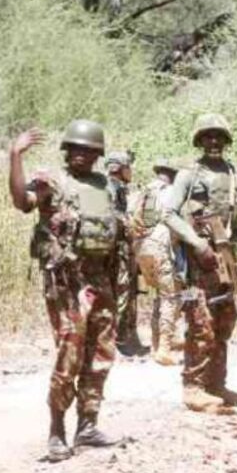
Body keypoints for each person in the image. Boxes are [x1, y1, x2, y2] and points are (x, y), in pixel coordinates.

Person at [8, 119, 121, 463]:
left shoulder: (107, 186)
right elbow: (21, 201)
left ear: (97, 154)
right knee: (69, 354)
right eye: (75, 149)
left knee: (101, 354)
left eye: (88, 150)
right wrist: (15, 156)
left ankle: (87, 425)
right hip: (67, 283)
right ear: (66, 151)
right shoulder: (52, 182)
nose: (81, 156)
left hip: (101, 279)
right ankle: (56, 430)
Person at [160, 113, 237, 413]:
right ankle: (193, 387)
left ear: (227, 141)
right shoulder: (188, 175)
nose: (214, 142)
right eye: (207, 137)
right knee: (200, 323)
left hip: (226, 259)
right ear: (199, 141)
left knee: (224, 321)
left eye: (219, 136)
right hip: (197, 263)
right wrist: (197, 244)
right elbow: (168, 214)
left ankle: (217, 385)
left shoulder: (234, 175)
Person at [130, 158, 183, 366]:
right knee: (171, 297)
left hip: (141, 248)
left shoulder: (143, 192)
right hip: (161, 246)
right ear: (172, 175)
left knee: (159, 296)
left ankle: (154, 345)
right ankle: (164, 348)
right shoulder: (170, 192)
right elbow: (176, 220)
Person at [105, 150, 147, 356]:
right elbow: (111, 214)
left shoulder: (118, 188)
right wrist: (128, 222)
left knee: (126, 294)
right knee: (122, 294)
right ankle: (118, 342)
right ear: (120, 169)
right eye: (128, 167)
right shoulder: (111, 188)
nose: (131, 171)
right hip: (118, 250)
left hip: (121, 249)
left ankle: (125, 339)